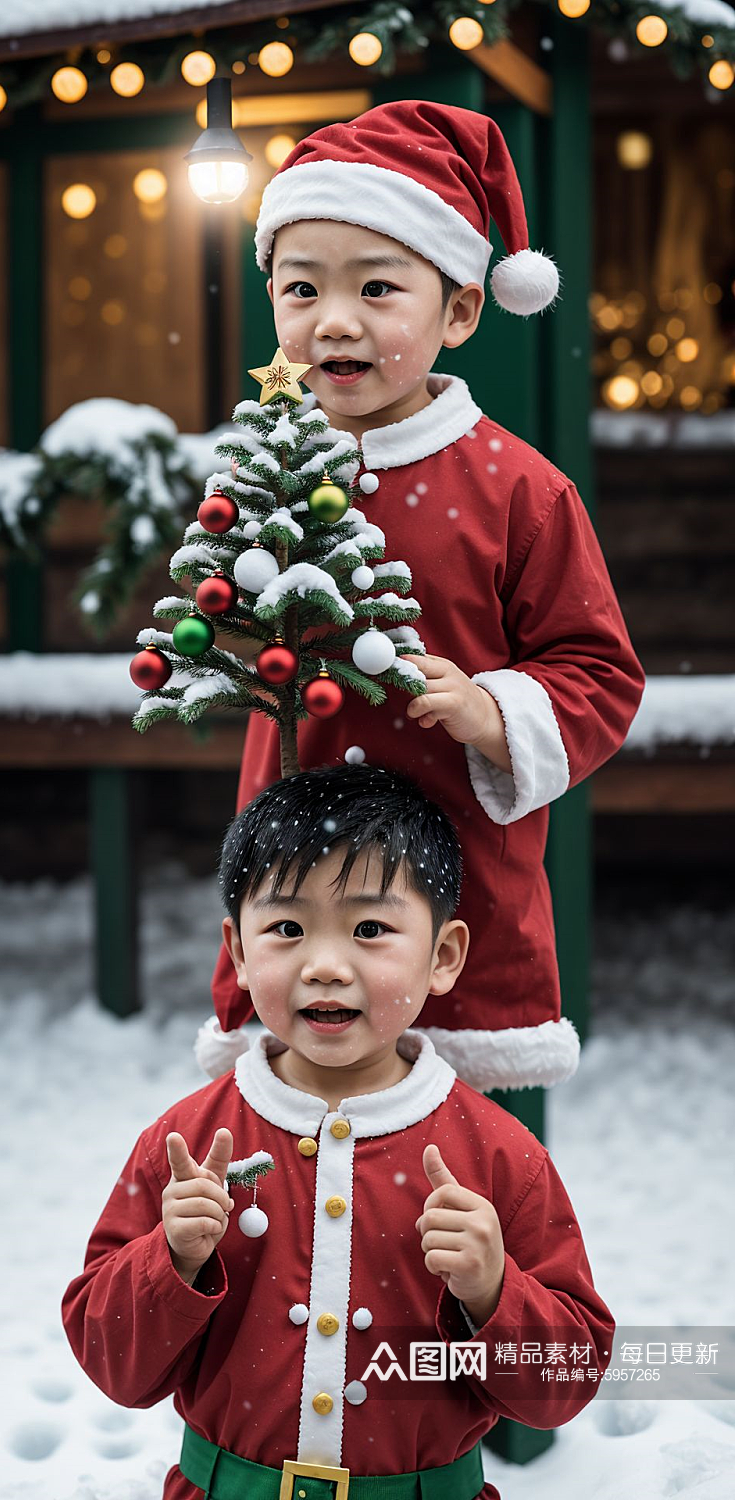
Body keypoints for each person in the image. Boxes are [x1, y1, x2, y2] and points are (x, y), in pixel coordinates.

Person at [201, 100, 646, 1097]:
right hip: (291, 886)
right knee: (292, 1150)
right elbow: (216, 623)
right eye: (302, 289)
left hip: (460, 897)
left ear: (456, 312)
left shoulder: (516, 490)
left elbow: (599, 674)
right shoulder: (264, 472)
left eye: (376, 288)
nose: (335, 320)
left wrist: (494, 709)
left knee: (455, 1185)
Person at [62, 764, 615, 1500]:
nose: (326, 966)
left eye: (370, 929)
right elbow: (112, 1363)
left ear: (443, 956)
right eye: (287, 929)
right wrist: (172, 1260)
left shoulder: (498, 1153)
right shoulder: (188, 1140)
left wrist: (492, 1290)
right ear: (237, 950)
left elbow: (563, 1387)